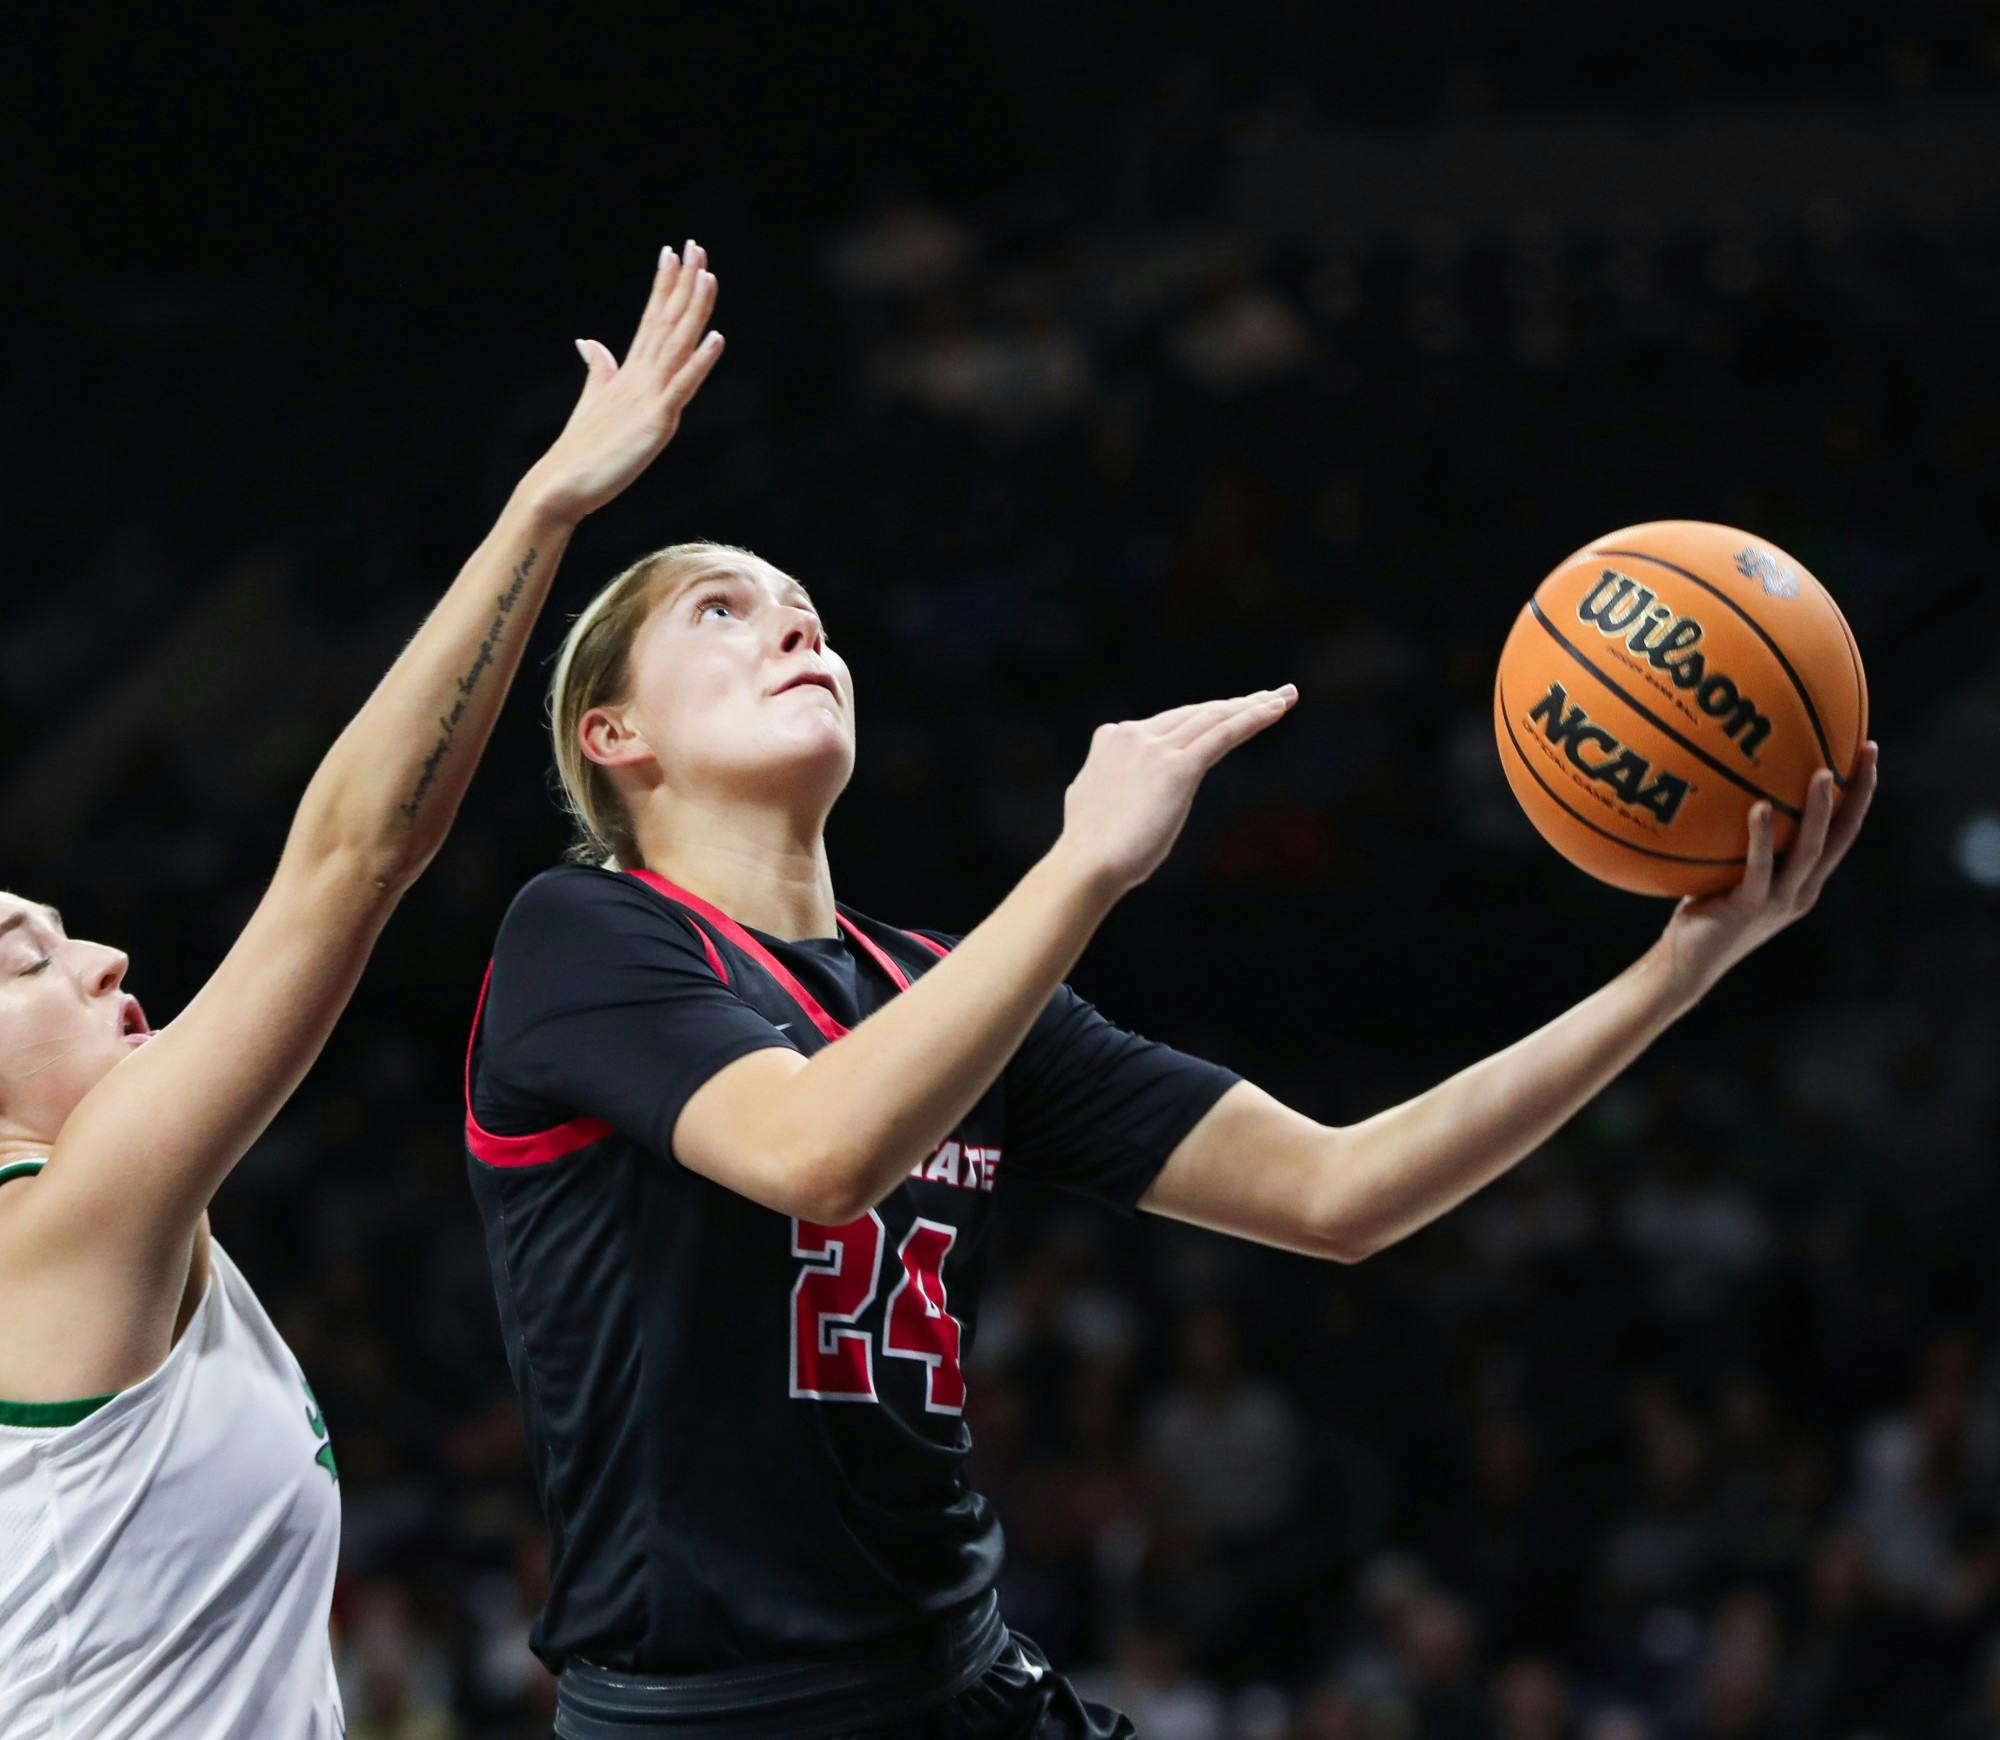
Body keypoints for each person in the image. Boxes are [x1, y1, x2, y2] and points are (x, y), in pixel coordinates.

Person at [465, 483, 1877, 1738]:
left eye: (809, 614)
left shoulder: (947, 985)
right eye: (728, 607)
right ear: (616, 733)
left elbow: (1344, 1194)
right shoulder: (581, 935)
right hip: (720, 1717)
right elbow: (816, 1153)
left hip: (958, 1677)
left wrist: (1674, 977)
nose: (795, 630)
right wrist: (1087, 864)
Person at [0, 244, 726, 1738]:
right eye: (29, 958)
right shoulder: (48, 1234)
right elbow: (352, 859)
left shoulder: (111, 1244)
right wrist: (547, 507)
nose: (104, 956)